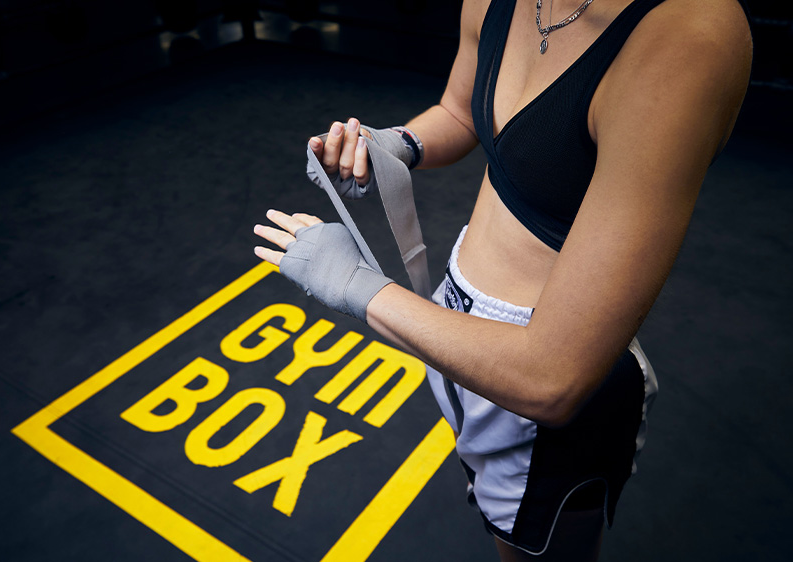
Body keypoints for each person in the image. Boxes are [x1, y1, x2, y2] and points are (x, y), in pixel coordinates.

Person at [253, 0, 752, 559]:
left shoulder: (686, 34)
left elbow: (553, 379)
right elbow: (462, 111)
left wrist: (353, 283)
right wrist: (395, 144)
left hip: (535, 375)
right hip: (455, 322)